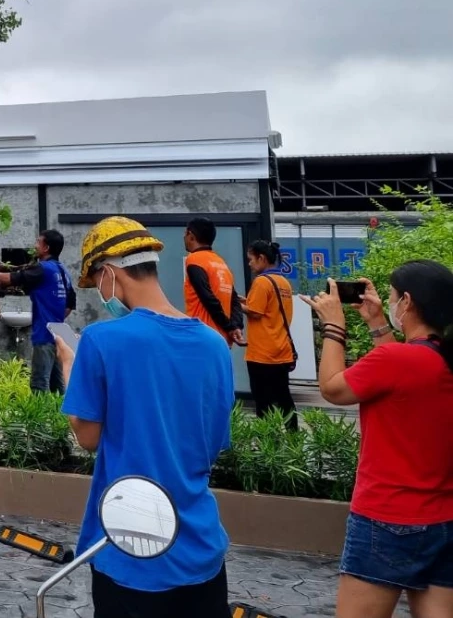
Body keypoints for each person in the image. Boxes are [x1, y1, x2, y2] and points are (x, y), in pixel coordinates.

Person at [57, 216, 234, 618]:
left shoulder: (102, 341)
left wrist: (72, 372)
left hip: (131, 550)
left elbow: (88, 437)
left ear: (110, 273)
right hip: (201, 549)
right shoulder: (214, 345)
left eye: (97, 282)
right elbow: (214, 444)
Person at [306, 261, 453, 618]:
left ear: (407, 302)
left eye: (390, 298)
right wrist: (376, 322)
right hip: (443, 521)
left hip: (385, 520)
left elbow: (332, 388)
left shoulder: (397, 360)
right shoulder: (438, 360)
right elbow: (402, 371)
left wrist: (334, 327)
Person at [0, 229, 76, 392]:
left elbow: (14, 278)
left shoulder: (42, 268)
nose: (35, 245)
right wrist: (54, 316)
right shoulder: (63, 271)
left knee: (39, 383)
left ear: (46, 248)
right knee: (57, 385)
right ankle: (58, 416)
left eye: (38, 242)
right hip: (59, 333)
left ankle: (39, 417)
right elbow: (69, 305)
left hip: (44, 334)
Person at [241, 239, 298, 428]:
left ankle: (268, 441)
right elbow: (268, 308)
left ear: (262, 258)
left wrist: (234, 303)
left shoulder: (262, 282)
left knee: (263, 402)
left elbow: (256, 312)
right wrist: (244, 301)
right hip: (281, 350)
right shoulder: (283, 282)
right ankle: (293, 436)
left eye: (251, 259)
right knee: (284, 398)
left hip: (262, 353)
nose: (250, 263)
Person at [183, 217, 245, 345]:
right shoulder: (221, 263)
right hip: (223, 340)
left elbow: (208, 299)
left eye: (185, 233)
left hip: (203, 337)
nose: (184, 237)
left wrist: (230, 327)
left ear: (191, 235)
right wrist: (235, 326)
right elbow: (234, 301)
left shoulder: (194, 260)